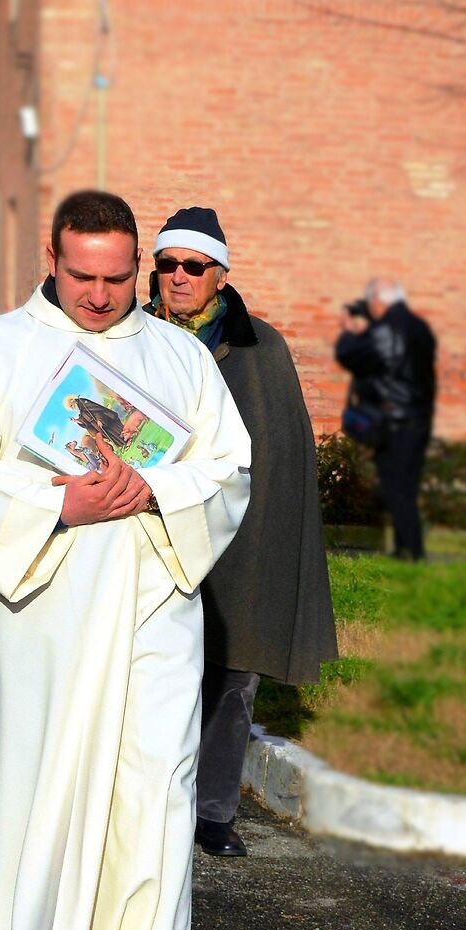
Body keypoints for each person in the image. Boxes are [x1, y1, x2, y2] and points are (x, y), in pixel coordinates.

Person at [0, 189, 252, 930]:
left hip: (153, 598)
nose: (104, 296)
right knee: (49, 781)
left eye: (119, 277)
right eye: (84, 276)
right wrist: (56, 501)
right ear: (52, 252)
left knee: (156, 788)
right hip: (41, 605)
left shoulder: (179, 358)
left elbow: (229, 469)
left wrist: (158, 490)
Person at [147, 208, 337, 857]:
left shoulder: (262, 347)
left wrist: (269, 544)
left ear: (220, 275)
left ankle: (214, 810)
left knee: (232, 678)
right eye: (166, 264)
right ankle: (147, 801)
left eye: (192, 266)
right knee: (147, 672)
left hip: (239, 539)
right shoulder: (130, 337)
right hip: (149, 530)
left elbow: (283, 450)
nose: (177, 276)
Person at [334, 278, 437, 561]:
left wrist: (350, 331)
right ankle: (409, 546)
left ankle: (412, 552)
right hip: (419, 418)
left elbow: (349, 355)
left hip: (393, 422)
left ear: (379, 302)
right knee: (408, 485)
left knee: (395, 487)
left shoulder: (383, 330)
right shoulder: (420, 327)